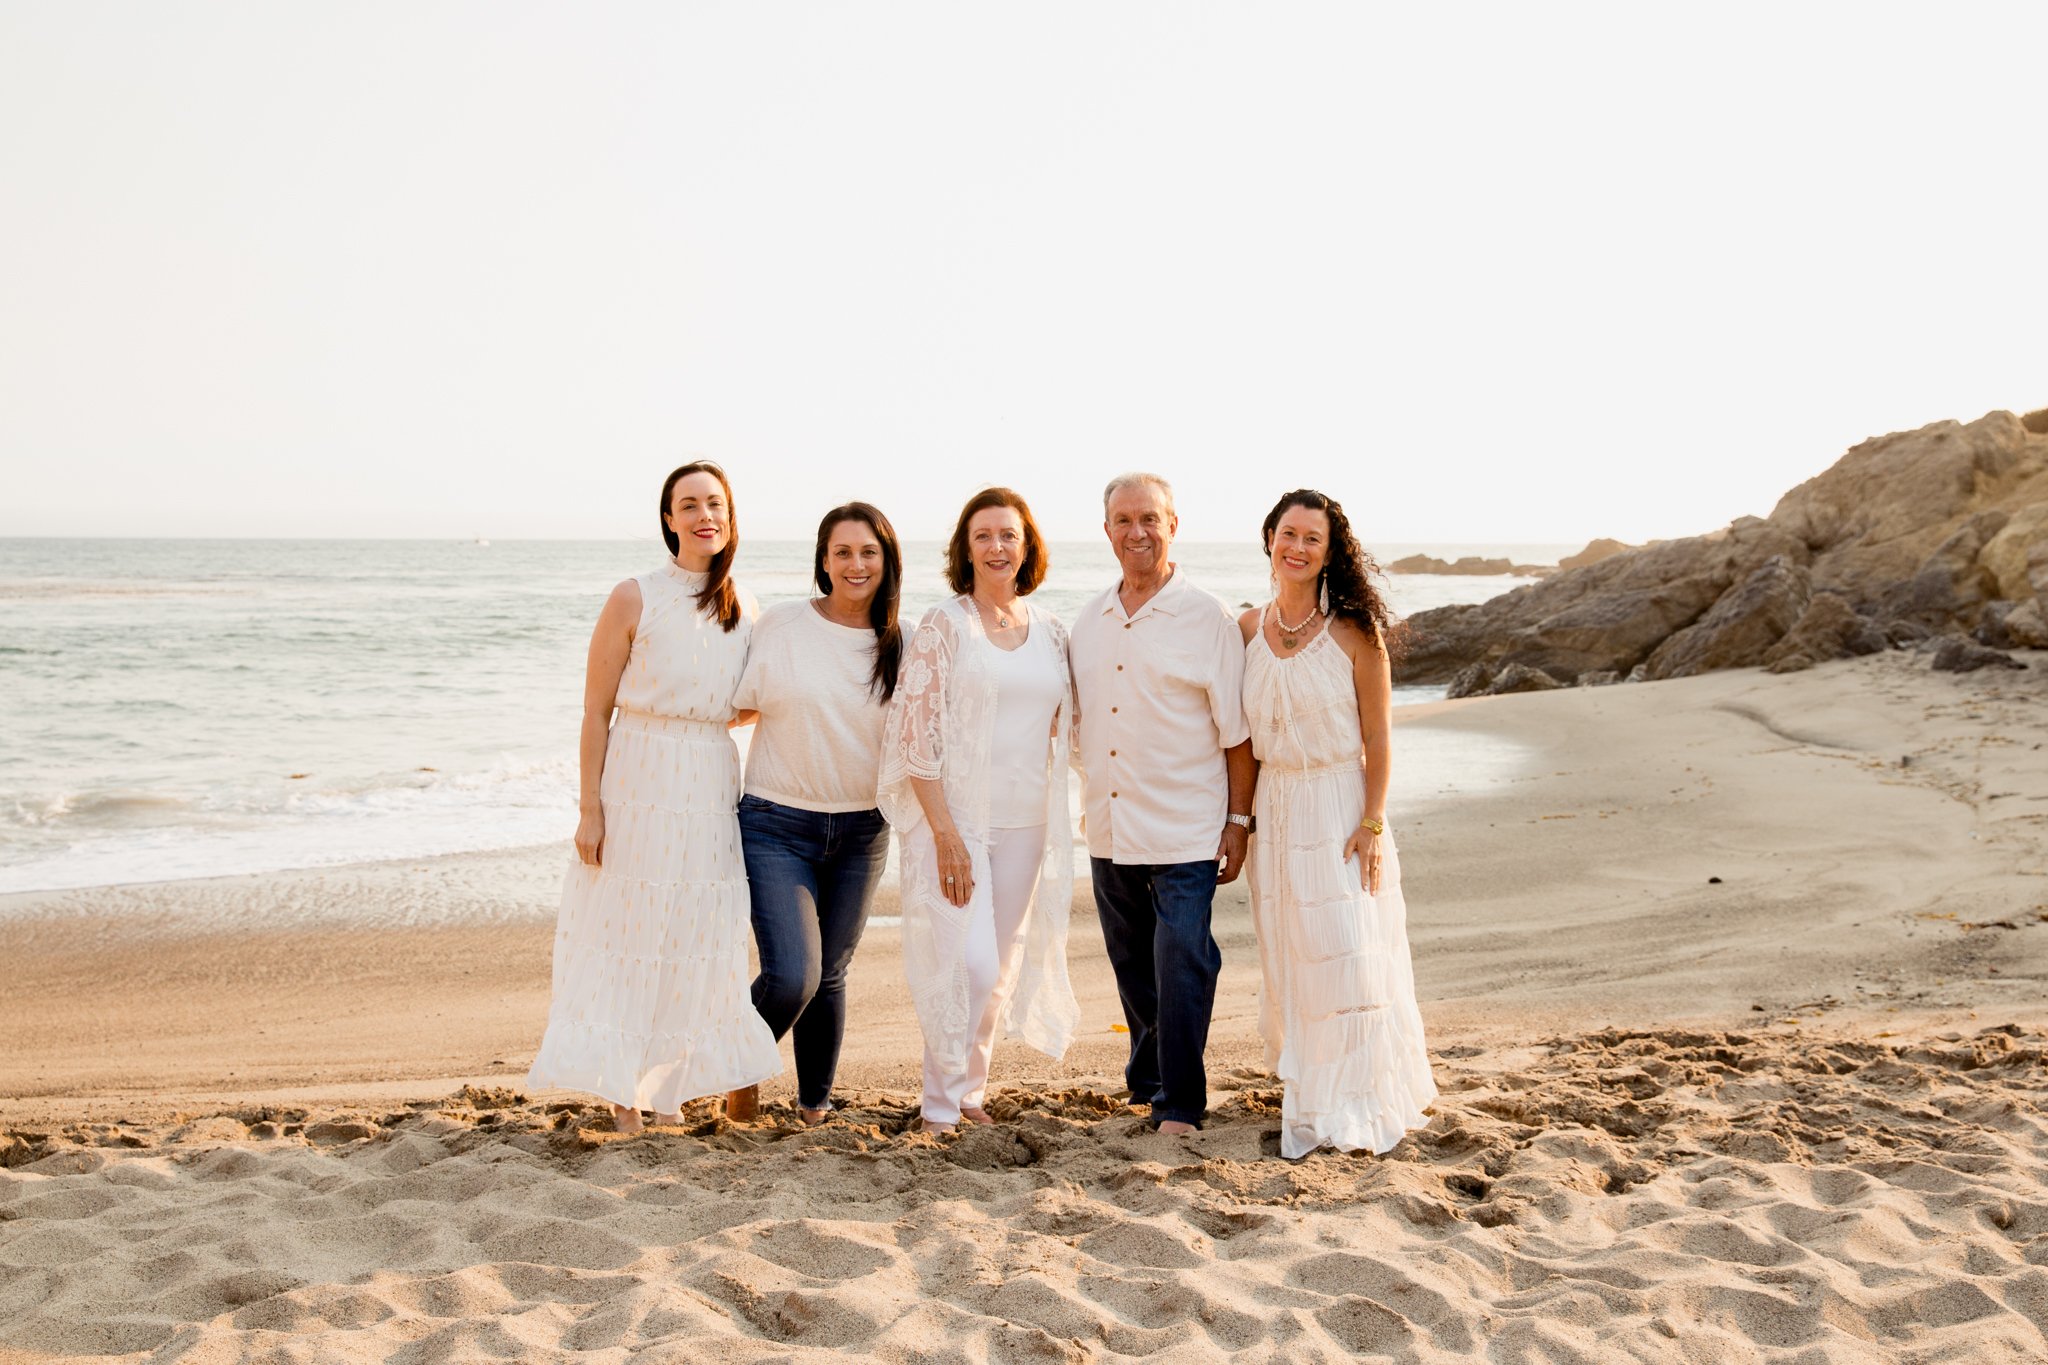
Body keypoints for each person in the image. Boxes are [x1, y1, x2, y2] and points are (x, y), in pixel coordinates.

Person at [526, 461, 781, 1133]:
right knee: (628, 928)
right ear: (668, 518)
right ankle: (623, 1095)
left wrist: (703, 724)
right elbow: (593, 711)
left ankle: (670, 1088)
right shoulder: (633, 596)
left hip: (709, 781)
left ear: (730, 517)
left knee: (697, 931)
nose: (705, 514)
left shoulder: (744, 605)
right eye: (689, 504)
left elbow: (751, 700)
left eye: (715, 503)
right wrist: (589, 807)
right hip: (637, 776)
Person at [1238, 488, 1436, 1158]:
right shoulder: (1245, 630)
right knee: (1294, 955)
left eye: (1311, 539)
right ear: (1269, 538)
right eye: (1288, 533)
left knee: (1349, 953)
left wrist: (1373, 822)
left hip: (1339, 804)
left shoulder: (1354, 632)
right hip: (1277, 808)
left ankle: (1358, 1097)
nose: (1297, 547)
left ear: (1329, 553)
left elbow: (1378, 740)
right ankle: (1314, 1094)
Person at [877, 487, 1080, 1133]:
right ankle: (938, 1109)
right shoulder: (946, 624)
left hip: (1027, 823)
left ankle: (968, 1095)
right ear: (966, 549)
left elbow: (1068, 727)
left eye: (1008, 535)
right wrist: (944, 834)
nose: (997, 546)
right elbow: (916, 736)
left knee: (1001, 969)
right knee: (969, 964)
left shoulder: (1050, 629)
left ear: (1028, 546)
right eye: (984, 536)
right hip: (957, 822)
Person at [1069, 473, 1254, 1135]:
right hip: (1109, 826)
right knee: (1134, 968)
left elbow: (1237, 733)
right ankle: (1148, 1081)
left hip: (1187, 829)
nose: (1137, 531)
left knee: (1183, 956)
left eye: (1150, 517)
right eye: (1123, 519)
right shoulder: (1088, 621)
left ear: (1173, 524)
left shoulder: (1207, 616)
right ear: (1108, 530)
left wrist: (1239, 821)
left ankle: (1180, 1101)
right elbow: (1076, 724)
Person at [724, 503, 903, 1126]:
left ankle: (813, 1104)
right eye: (842, 553)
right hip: (777, 824)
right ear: (823, 562)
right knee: (793, 975)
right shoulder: (782, 625)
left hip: (862, 830)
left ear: (887, 561)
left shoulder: (900, 643)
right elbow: (735, 707)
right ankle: (732, 1067)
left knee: (830, 973)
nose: (856, 565)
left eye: (868, 553)